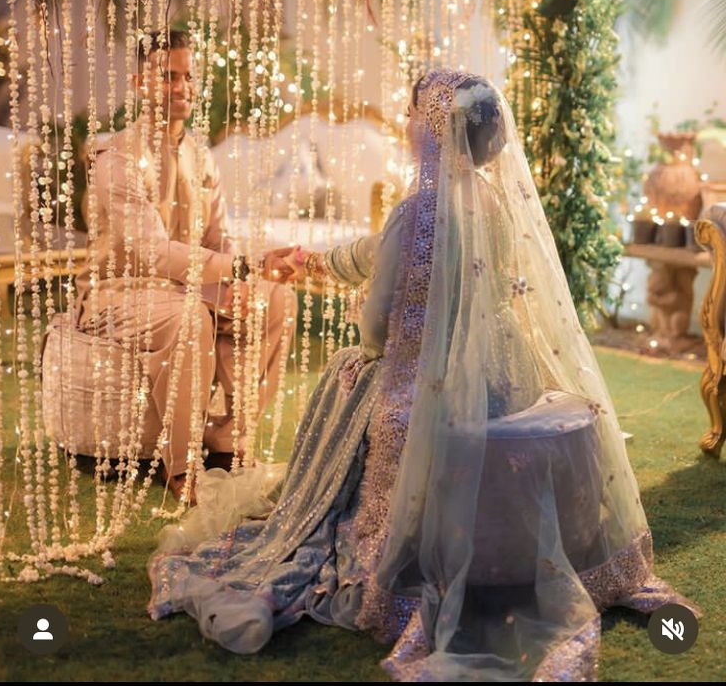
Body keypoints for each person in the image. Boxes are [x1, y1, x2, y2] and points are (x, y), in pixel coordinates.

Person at [147, 68, 699, 679]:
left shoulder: (416, 213)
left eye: (413, 113)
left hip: (421, 390)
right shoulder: (491, 202)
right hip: (499, 379)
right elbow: (407, 267)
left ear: (432, 129)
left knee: (346, 377)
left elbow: (381, 328)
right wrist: (319, 261)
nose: (407, 124)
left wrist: (368, 333)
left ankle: (358, 533)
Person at [75, 30, 297, 504]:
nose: (182, 88)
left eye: (188, 77)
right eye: (168, 77)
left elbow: (219, 237)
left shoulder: (199, 154)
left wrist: (241, 279)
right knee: (189, 317)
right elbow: (154, 254)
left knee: (277, 299)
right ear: (140, 83)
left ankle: (227, 441)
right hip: (120, 292)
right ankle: (181, 465)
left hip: (186, 287)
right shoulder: (118, 159)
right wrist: (239, 265)